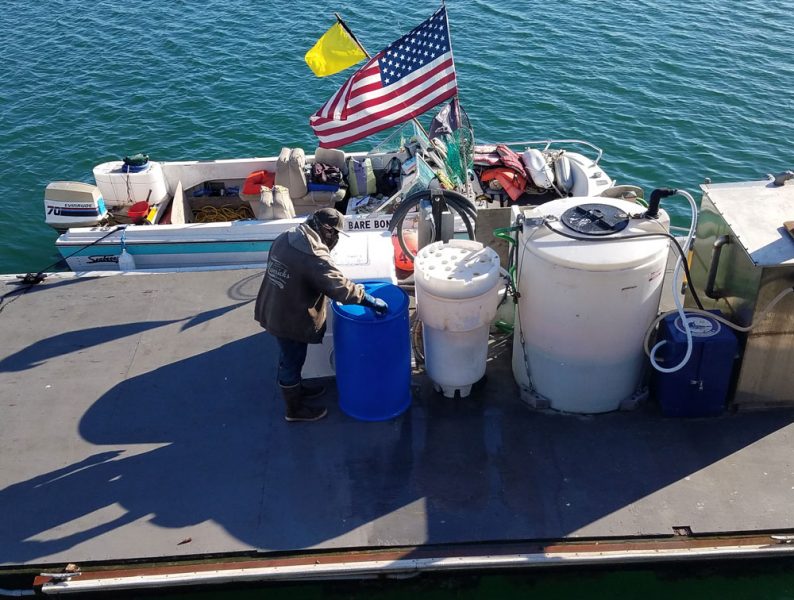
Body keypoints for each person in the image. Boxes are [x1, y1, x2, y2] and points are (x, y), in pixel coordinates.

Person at [254, 207, 388, 422]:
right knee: (290, 360)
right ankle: (294, 410)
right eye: (335, 234)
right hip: (289, 317)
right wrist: (370, 300)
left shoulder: (287, 235)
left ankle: (298, 388)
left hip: (273, 305)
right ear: (327, 230)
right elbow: (341, 289)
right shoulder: (314, 255)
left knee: (292, 356)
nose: (335, 239)